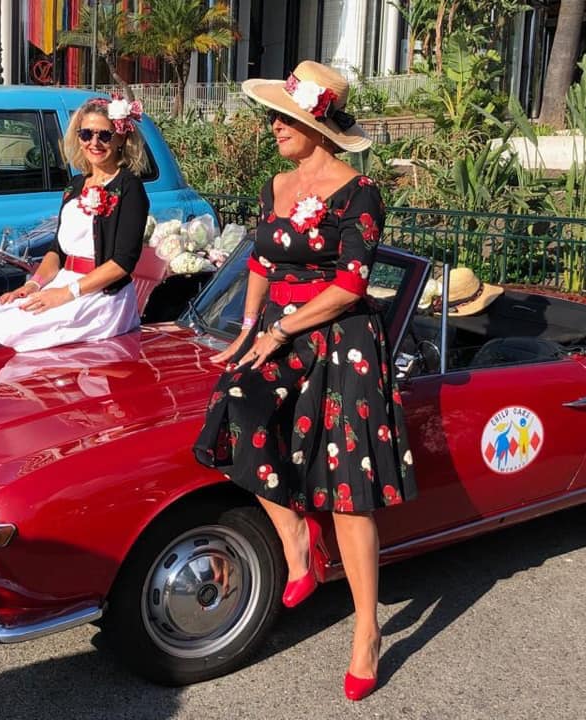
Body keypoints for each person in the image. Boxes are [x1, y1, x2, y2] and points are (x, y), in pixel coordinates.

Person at [192, 61, 417, 701]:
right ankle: (296, 538)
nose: (273, 127)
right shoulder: (277, 184)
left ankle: (367, 632)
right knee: (235, 406)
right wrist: (247, 330)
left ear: (317, 124)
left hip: (342, 340)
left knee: (349, 491)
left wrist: (280, 331)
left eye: (284, 118)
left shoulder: (359, 192)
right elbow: (261, 262)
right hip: (280, 331)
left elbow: (349, 286)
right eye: (273, 117)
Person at [0, 95, 149, 366]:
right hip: (64, 285)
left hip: (98, 297)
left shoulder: (128, 186)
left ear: (121, 138)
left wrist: (64, 294)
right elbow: (57, 251)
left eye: (104, 135)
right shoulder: (76, 185)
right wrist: (33, 285)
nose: (94, 142)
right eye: (86, 134)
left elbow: (122, 262)